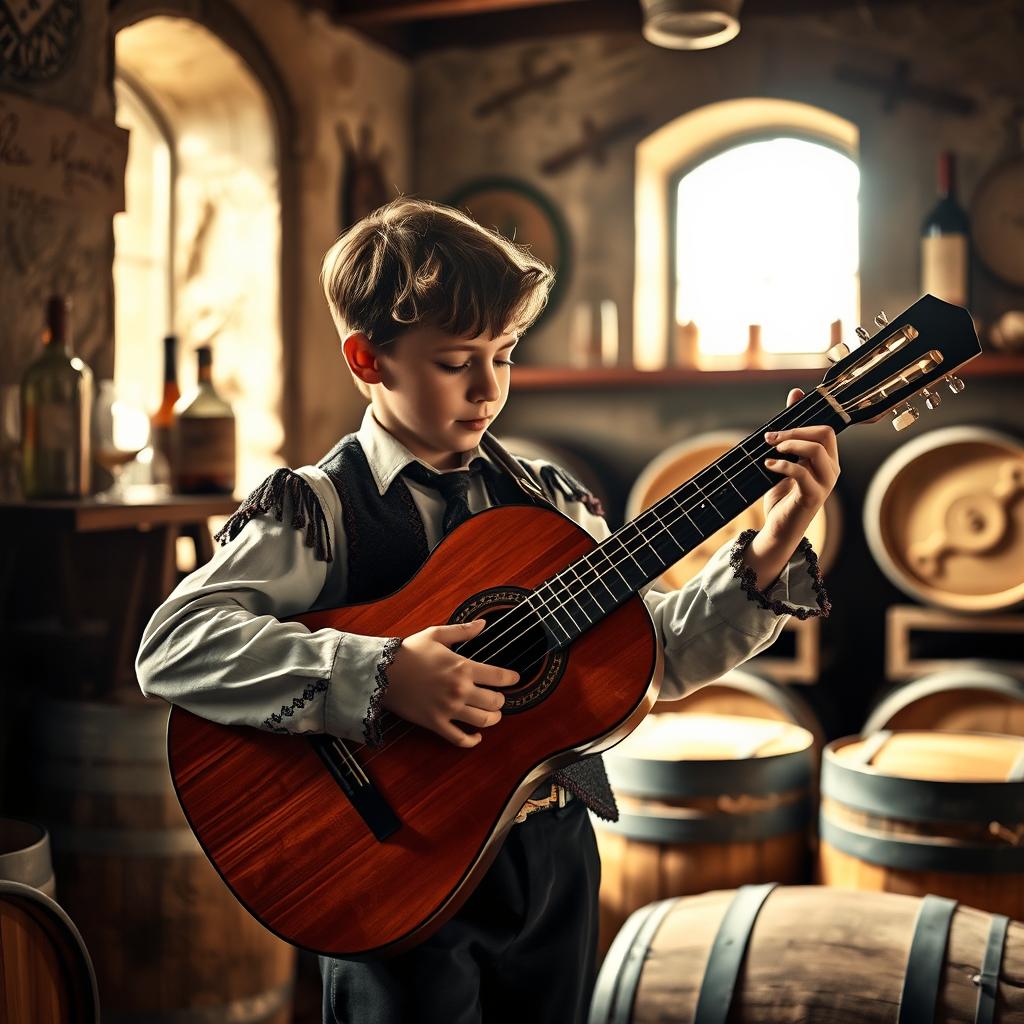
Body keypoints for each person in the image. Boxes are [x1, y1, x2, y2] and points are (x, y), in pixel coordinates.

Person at [135, 196, 838, 1024]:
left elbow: (661, 656)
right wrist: (381, 674)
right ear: (368, 359)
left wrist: (775, 535)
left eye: (504, 356)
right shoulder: (317, 510)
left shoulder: (551, 504)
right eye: (456, 362)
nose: (488, 388)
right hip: (387, 863)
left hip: (552, 858)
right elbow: (172, 646)